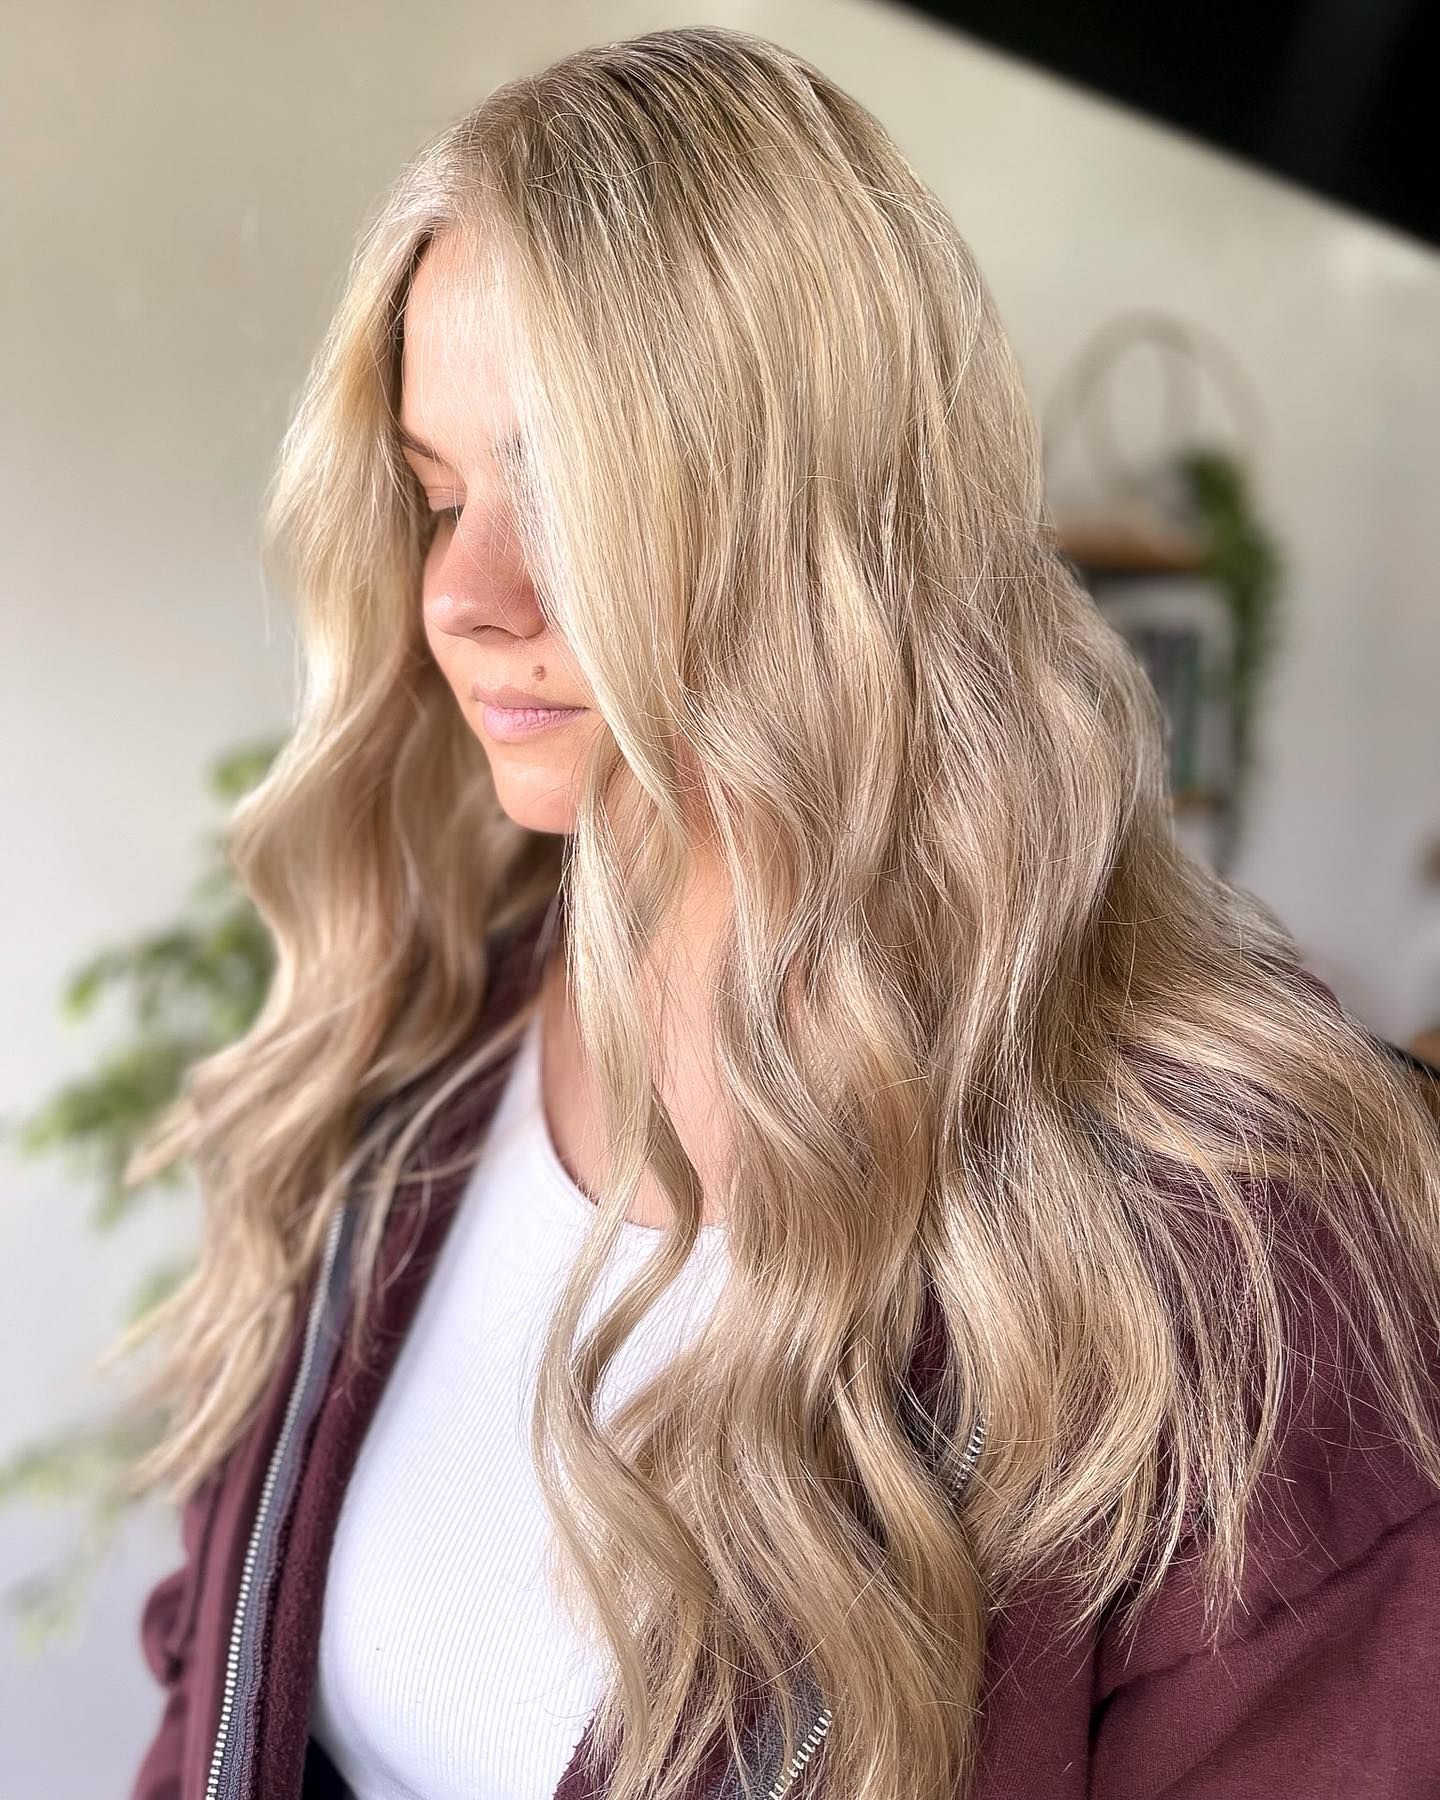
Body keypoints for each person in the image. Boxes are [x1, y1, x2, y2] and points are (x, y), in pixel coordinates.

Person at [116, 25, 1440, 1800]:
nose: (467, 596)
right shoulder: (411, 1062)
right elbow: (217, 1677)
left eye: (575, 494)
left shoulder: (1239, 1274)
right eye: (437, 497)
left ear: (839, 513)